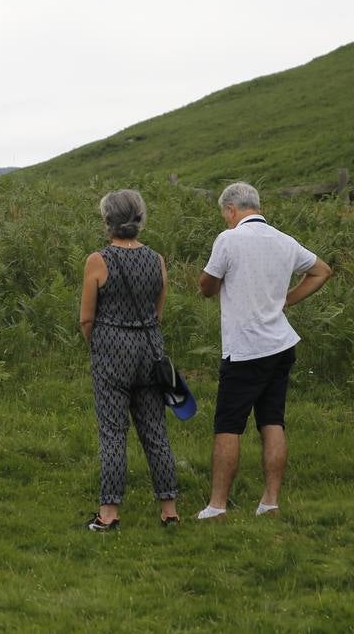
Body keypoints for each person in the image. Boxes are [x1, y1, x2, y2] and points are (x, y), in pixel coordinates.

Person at [196, 182, 332, 520]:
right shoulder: (284, 241)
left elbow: (206, 287)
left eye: (224, 215)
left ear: (231, 210)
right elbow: (321, 271)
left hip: (245, 348)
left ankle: (218, 505)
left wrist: (213, 284)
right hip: (281, 344)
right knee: (272, 421)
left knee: (228, 425)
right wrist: (288, 299)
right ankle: (269, 501)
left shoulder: (229, 239)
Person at [79, 189, 179, 531]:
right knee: (155, 432)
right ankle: (169, 510)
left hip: (112, 348)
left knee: (112, 432)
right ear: (139, 219)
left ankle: (108, 515)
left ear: (107, 220)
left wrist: (103, 344)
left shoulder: (98, 260)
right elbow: (158, 310)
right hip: (150, 348)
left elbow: (86, 319)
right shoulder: (157, 259)